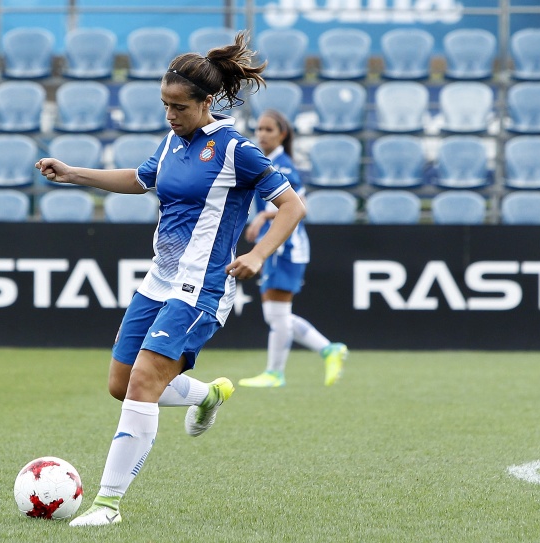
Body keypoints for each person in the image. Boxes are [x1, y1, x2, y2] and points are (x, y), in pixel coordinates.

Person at [35, 31, 306, 527]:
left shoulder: (235, 150)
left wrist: (259, 254)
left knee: (143, 382)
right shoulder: (170, 143)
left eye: (179, 106)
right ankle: (206, 395)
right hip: (157, 281)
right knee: (121, 384)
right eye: (164, 105)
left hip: (201, 288)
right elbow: (140, 181)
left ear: (206, 102)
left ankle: (107, 504)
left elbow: (292, 205)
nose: (170, 115)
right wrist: (72, 173)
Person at [238, 110, 348, 389]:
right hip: (280, 248)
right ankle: (328, 349)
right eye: (259, 129)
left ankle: (276, 372)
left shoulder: (282, 166)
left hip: (286, 248)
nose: (261, 134)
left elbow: (299, 205)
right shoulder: (270, 162)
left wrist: (262, 217)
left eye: (268, 130)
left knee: (277, 315)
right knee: (277, 315)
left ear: (282, 135)